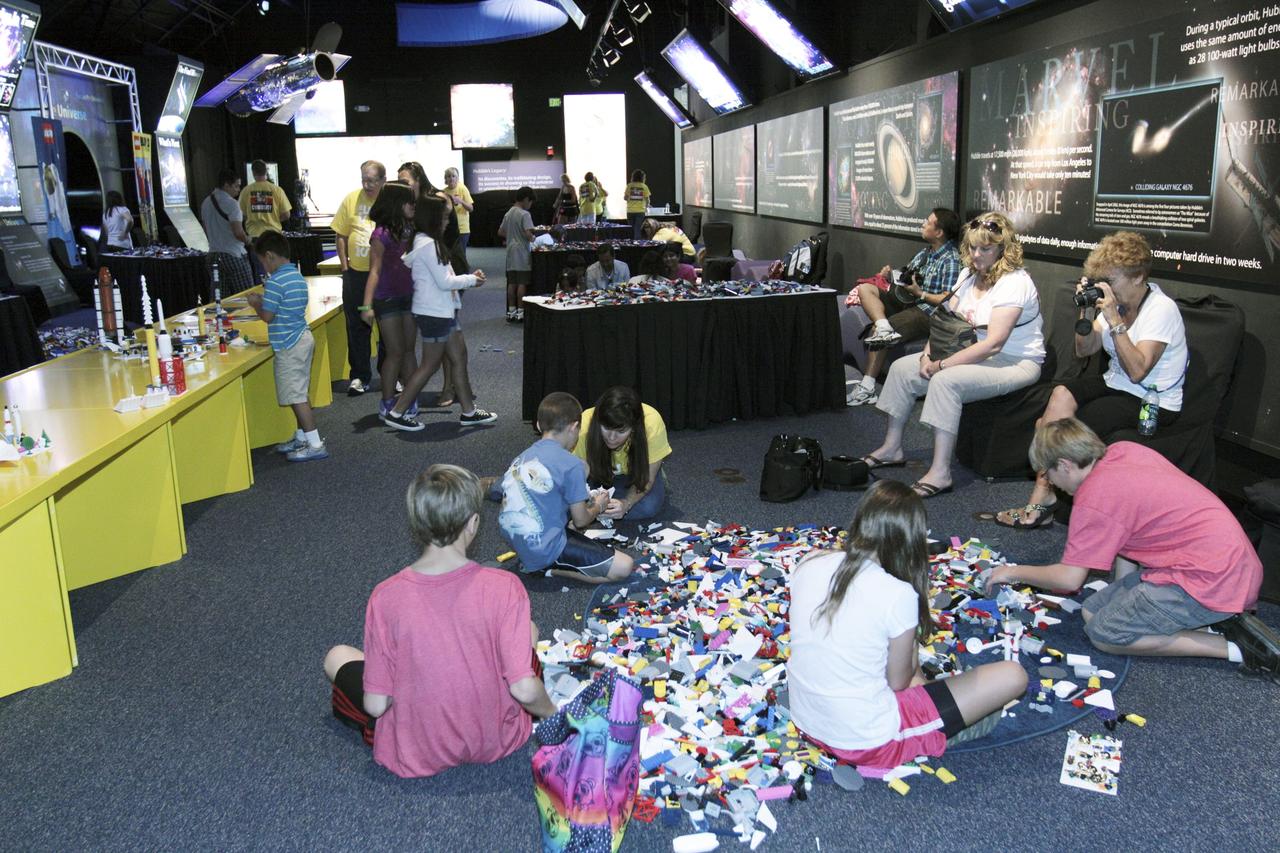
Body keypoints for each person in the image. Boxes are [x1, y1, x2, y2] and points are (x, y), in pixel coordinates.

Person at [986, 418, 1277, 677]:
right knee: (1092, 612)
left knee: (1105, 634)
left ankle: (1237, 648)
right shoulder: (1124, 450)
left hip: (1211, 579)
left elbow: (1069, 579)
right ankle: (1221, 620)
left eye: (1048, 475)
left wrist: (1012, 572)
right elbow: (1129, 534)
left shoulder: (1094, 499)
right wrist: (1127, 598)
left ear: (1064, 465)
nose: (1051, 483)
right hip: (1228, 561)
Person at [323, 464, 556, 778]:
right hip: (496, 739)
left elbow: (377, 706)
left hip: (418, 749)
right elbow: (525, 690)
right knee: (527, 631)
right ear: (473, 523)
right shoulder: (505, 587)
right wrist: (556, 717)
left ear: (417, 525)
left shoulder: (385, 596)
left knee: (337, 656)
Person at [788, 480, 1027, 772]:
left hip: (805, 717)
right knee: (1012, 677)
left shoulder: (811, 561)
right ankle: (937, 733)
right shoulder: (897, 594)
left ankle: (938, 716)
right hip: (865, 741)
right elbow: (899, 683)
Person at [994, 232, 1188, 528]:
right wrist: (1086, 310)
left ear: (1137, 277)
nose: (1105, 288)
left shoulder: (1161, 309)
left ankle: (1050, 498)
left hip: (1152, 398)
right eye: (1101, 281)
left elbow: (1138, 370)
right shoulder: (1117, 304)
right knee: (1059, 396)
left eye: (1111, 281)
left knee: (1074, 425)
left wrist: (1113, 318)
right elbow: (1083, 349)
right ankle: (1046, 494)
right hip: (1115, 382)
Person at [861, 211, 1044, 499]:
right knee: (900, 369)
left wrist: (941, 365)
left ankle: (941, 471)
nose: (976, 254)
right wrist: (926, 355)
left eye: (985, 249)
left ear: (1003, 249)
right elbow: (946, 321)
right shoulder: (968, 275)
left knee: (946, 381)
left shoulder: (1015, 282)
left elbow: (994, 344)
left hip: (1014, 362)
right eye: (972, 247)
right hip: (967, 351)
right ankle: (892, 447)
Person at [381, 196, 496, 432]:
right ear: (432, 219)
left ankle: (469, 411)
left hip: (442, 311)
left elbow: (442, 280)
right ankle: (397, 412)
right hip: (436, 314)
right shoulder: (428, 245)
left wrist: (469, 279)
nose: (447, 222)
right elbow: (445, 282)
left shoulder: (426, 243)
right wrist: (472, 279)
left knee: (459, 357)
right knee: (430, 364)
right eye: (443, 217)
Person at [497, 392, 636, 584]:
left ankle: (537, 560)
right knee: (624, 567)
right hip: (542, 546)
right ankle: (547, 569)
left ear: (538, 425)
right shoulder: (572, 465)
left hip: (515, 539)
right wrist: (598, 505)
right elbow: (581, 520)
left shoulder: (521, 457)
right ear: (574, 427)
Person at [846, 208, 962, 407]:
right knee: (865, 288)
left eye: (928, 222)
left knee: (879, 332)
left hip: (928, 312)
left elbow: (947, 300)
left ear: (939, 232)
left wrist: (920, 294)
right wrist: (889, 277)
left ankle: (867, 387)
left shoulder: (950, 259)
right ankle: (883, 324)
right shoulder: (926, 252)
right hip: (909, 299)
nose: (923, 224)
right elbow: (907, 276)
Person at [245, 230, 326, 462]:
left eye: (262, 262)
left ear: (269, 256)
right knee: (299, 391)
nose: (264, 267)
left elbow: (268, 317)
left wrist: (255, 304)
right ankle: (302, 436)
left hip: (289, 344)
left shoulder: (275, 282)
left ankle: (315, 443)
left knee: (296, 395)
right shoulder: (296, 277)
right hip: (301, 337)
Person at [358, 181, 419, 420]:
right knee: (394, 352)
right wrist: (366, 305)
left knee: (409, 351)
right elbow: (374, 271)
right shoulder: (380, 235)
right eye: (409, 201)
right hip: (387, 299)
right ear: (396, 204)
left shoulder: (412, 230)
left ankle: (410, 398)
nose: (414, 205)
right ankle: (387, 401)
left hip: (410, 297)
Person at [573, 386, 672, 521]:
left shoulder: (652, 423)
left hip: (637, 473)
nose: (612, 438)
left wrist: (626, 504)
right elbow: (574, 479)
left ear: (633, 428)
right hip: (597, 473)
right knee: (567, 505)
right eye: (606, 428)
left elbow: (646, 478)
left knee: (649, 506)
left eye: (621, 431)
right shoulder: (584, 425)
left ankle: (600, 509)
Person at [331, 160, 385, 396]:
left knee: (387, 325)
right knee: (357, 325)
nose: (367, 184)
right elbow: (341, 235)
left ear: (383, 180)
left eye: (372, 180)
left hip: (384, 277)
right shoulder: (351, 199)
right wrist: (345, 268)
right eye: (363, 179)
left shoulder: (389, 200)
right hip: (356, 276)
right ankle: (360, 376)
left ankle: (390, 375)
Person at [200, 168, 255, 293]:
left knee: (220, 300)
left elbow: (206, 229)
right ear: (226, 185)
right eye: (236, 186)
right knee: (246, 296)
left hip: (213, 255)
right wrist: (248, 241)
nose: (238, 189)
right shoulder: (232, 204)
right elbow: (238, 232)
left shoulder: (205, 203)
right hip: (233, 255)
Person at [498, 186, 535, 323]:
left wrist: (512, 236)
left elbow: (500, 232)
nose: (530, 206)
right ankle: (521, 312)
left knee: (512, 282)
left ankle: (511, 311)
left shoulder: (509, 213)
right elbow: (527, 234)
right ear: (526, 199)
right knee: (522, 282)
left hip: (510, 251)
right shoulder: (525, 214)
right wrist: (533, 238)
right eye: (530, 202)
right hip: (522, 252)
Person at [239, 160, 292, 238]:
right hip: (273, 234)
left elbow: (241, 215)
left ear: (253, 172)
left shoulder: (245, 191)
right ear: (266, 171)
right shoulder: (277, 190)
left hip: (254, 235)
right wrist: (273, 220)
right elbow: (287, 215)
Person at [443, 167, 474, 250]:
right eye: (449, 176)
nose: (451, 178)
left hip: (462, 229)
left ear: (457, 178)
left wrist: (461, 201)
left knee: (460, 255)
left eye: (454, 176)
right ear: (445, 178)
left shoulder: (463, 189)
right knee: (450, 254)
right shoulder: (444, 192)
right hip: (449, 228)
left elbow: (471, 208)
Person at [624, 169, 650, 238]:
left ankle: (631, 244)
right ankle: (637, 245)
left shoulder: (629, 186)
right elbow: (647, 200)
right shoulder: (644, 186)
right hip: (640, 211)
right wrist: (646, 207)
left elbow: (625, 198)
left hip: (630, 211)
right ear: (642, 178)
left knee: (631, 230)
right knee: (637, 229)